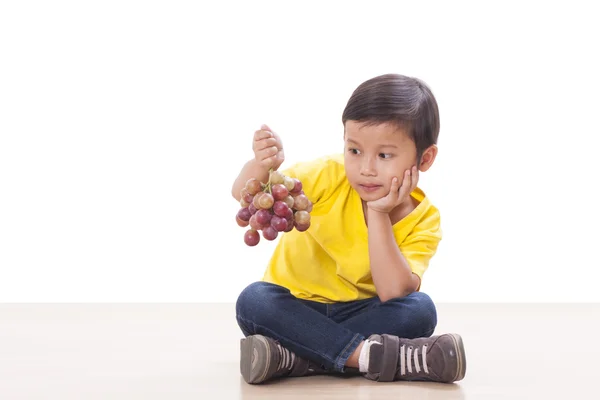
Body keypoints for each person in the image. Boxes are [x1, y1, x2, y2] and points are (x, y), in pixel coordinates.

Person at [231, 73, 466, 385]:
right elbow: (245, 193)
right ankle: (368, 357)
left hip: (362, 315)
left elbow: (392, 291)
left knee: (419, 311)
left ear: (425, 158)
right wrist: (261, 165)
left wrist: (380, 213)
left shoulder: (425, 218)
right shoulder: (330, 175)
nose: (366, 168)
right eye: (354, 150)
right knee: (254, 300)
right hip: (296, 307)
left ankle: (297, 358)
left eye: (384, 155)